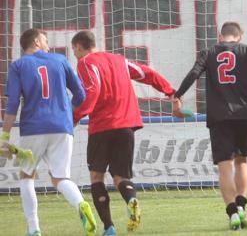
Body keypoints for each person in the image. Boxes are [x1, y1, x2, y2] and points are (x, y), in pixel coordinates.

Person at [172, 22, 247, 230]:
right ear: (239, 36)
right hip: (245, 114)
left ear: (220, 35)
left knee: (225, 165)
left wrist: (177, 96)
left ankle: (232, 212)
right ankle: (241, 206)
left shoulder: (209, 52)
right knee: (242, 161)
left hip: (219, 115)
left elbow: (193, 74)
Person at [71, 30, 176, 236]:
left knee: (96, 176)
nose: (75, 54)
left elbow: (93, 90)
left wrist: (73, 118)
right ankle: (132, 200)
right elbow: (148, 73)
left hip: (102, 126)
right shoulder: (119, 60)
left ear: (79, 47)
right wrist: (169, 91)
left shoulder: (85, 62)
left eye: (74, 50)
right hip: (127, 125)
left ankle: (109, 227)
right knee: (121, 176)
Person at [1, 28, 95, 236]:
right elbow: (80, 94)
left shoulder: (17, 65)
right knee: (61, 178)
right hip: (62, 127)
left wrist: (5, 136)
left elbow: (13, 103)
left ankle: (34, 228)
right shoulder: (60, 60)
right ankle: (80, 203)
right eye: (45, 40)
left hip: (33, 127)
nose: (48, 44)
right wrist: (65, 113)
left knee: (26, 175)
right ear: (35, 41)